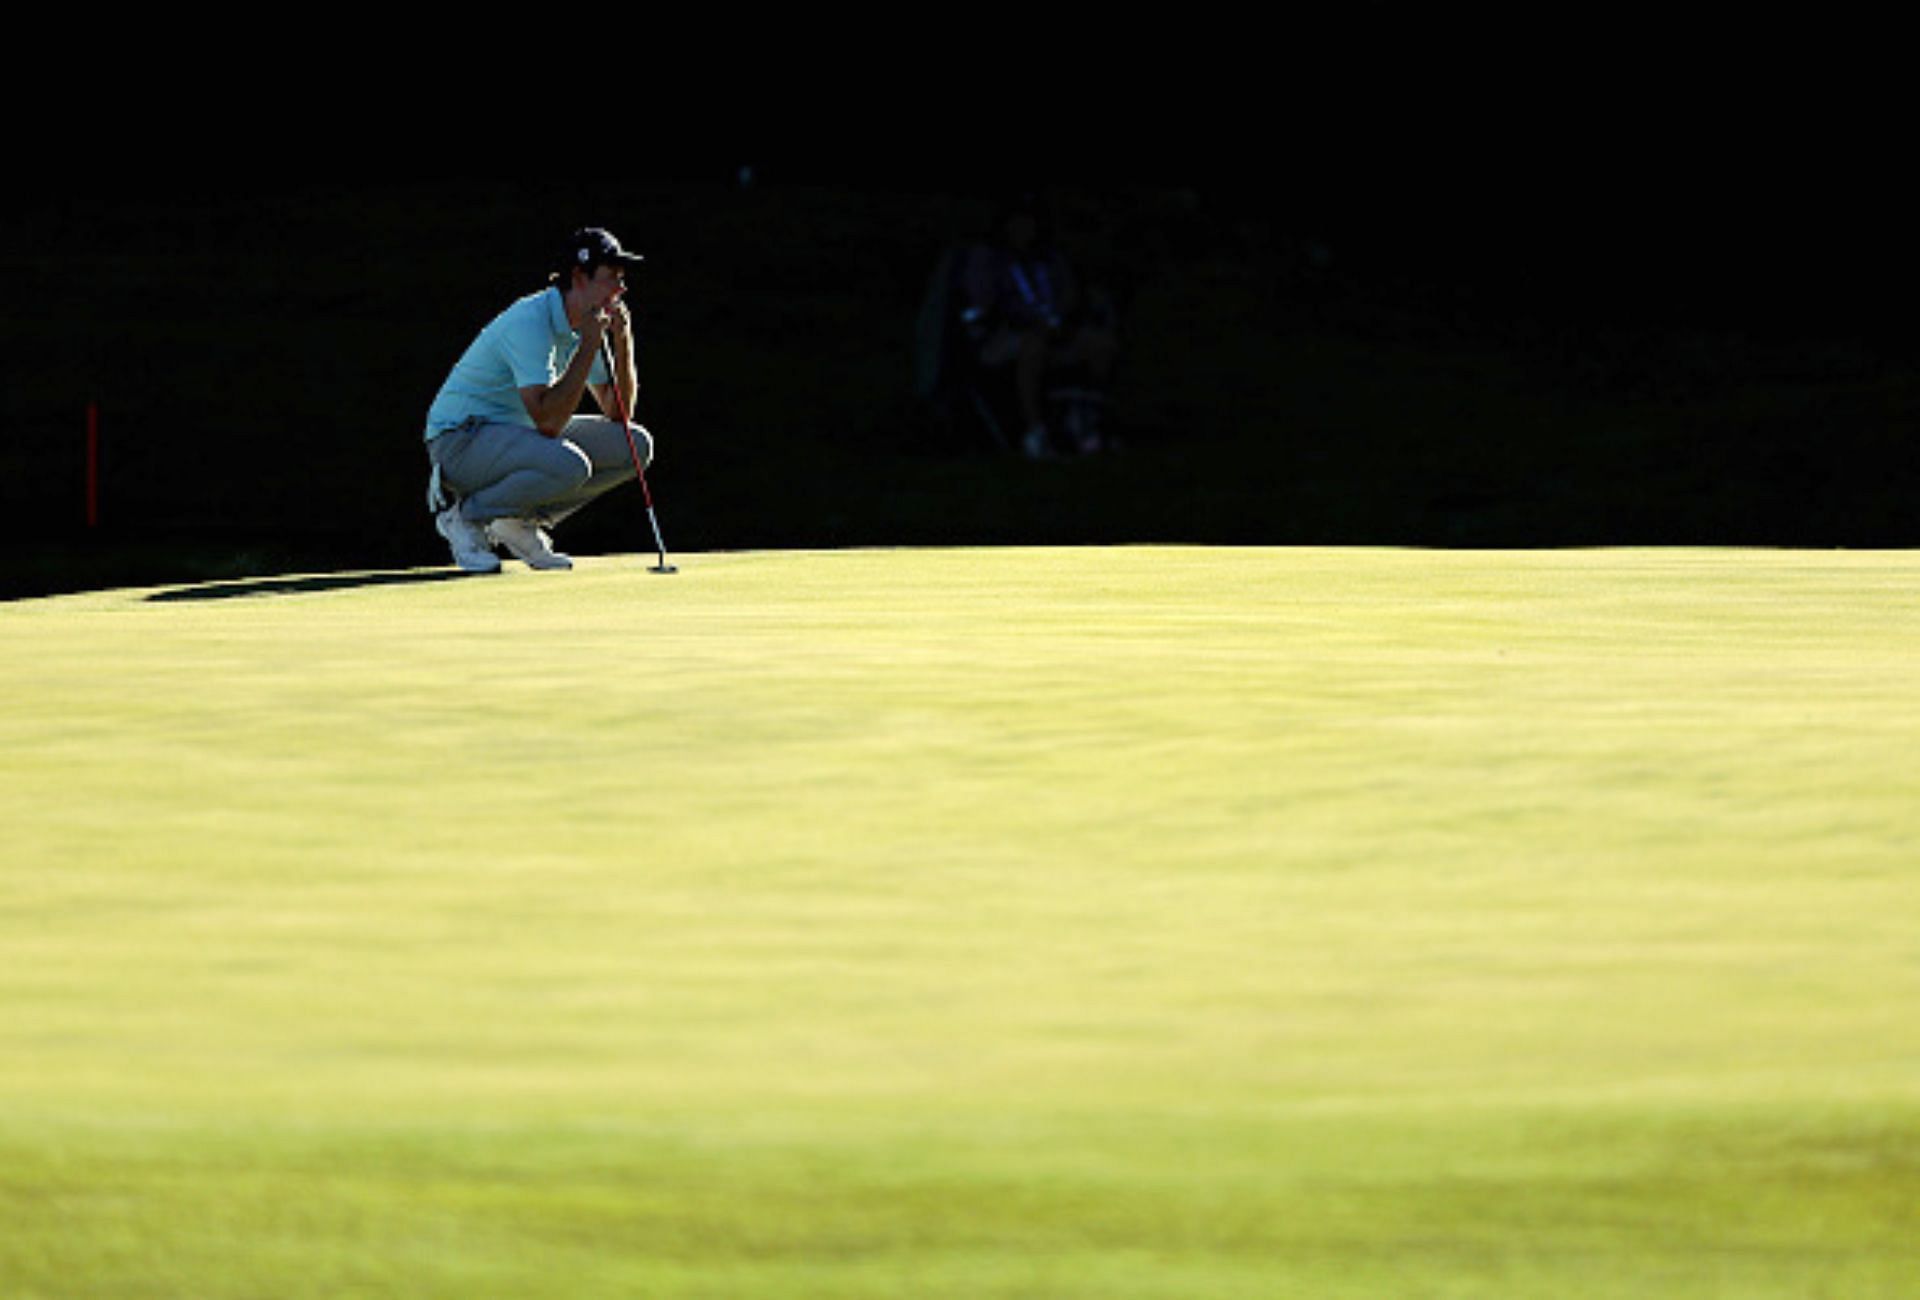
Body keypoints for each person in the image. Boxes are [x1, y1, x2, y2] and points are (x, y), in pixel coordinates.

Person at [423, 227, 653, 572]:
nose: (621, 289)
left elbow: (617, 411)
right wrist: (590, 345)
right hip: (459, 441)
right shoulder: (532, 320)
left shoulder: (583, 324)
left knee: (634, 445)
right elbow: (547, 421)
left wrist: (623, 343)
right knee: (570, 465)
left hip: (515, 436)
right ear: (579, 278)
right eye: (611, 278)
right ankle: (465, 517)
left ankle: (514, 518)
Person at [960, 195, 1118, 458]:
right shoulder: (988, 258)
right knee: (1034, 347)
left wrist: (1062, 321)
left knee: (1100, 343)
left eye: (1029, 224)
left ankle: (1089, 421)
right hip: (1005, 335)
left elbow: (1069, 297)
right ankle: (1035, 430)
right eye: (1017, 224)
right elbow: (983, 304)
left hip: (1056, 331)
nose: (1024, 231)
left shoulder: (1049, 260)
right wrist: (1027, 322)